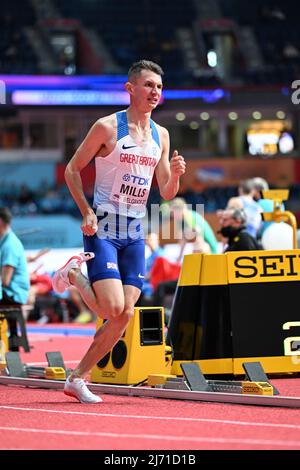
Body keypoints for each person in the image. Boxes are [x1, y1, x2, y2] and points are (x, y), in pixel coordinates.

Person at [52, 60, 186, 403]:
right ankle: (73, 274)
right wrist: (85, 211)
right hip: (105, 225)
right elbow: (71, 170)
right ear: (130, 88)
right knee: (111, 309)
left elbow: (167, 193)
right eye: (148, 85)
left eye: (158, 86)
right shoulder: (107, 127)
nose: (155, 91)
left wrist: (175, 173)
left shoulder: (161, 134)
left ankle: (77, 378)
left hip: (135, 228)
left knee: (124, 314)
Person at [0, 207, 30, 350]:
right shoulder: (6, 242)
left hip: (13, 293)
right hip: (10, 291)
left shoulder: (9, 245)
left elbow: (5, 281)